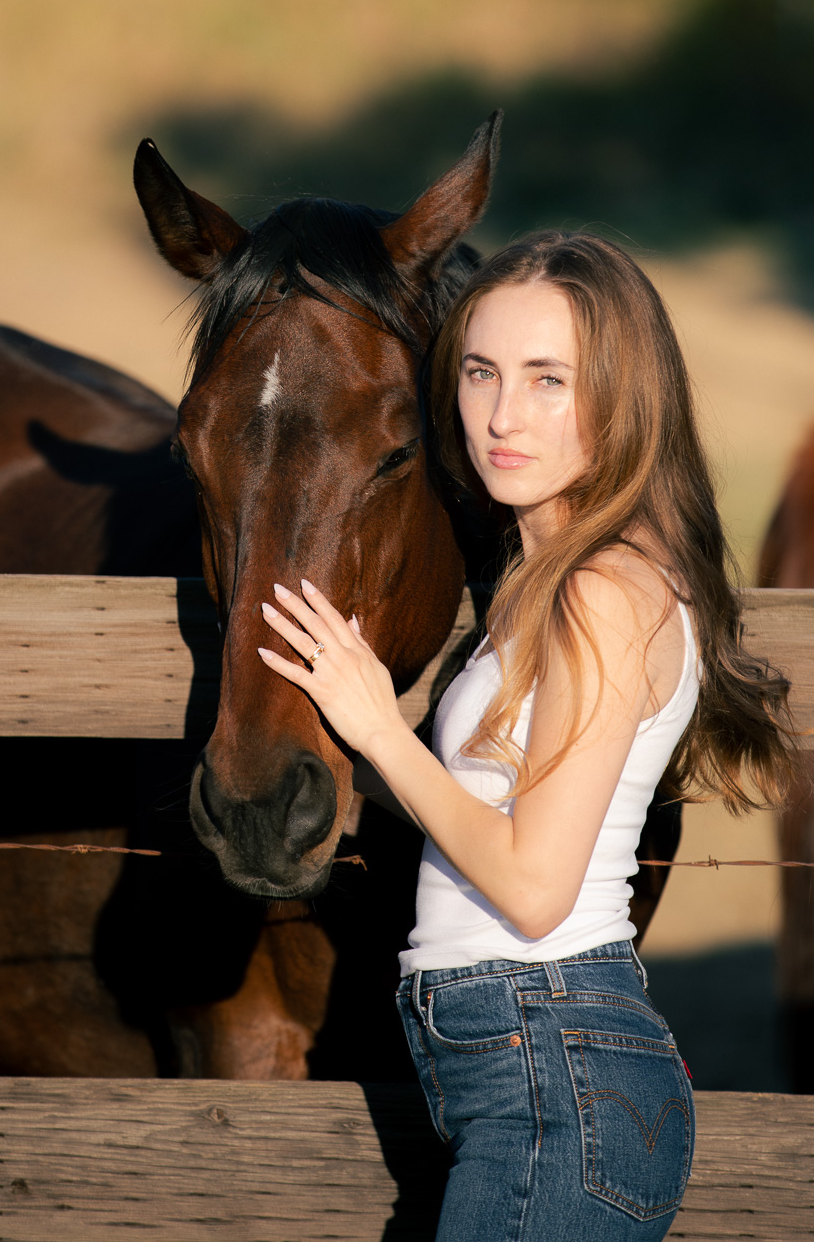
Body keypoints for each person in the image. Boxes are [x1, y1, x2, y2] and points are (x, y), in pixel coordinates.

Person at [256, 230, 798, 1242]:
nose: (502, 416)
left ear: (625, 397)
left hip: (552, 1065)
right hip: (526, 1061)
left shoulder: (604, 593)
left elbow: (535, 887)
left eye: (550, 380)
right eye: (480, 372)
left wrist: (377, 724)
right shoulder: (545, 580)